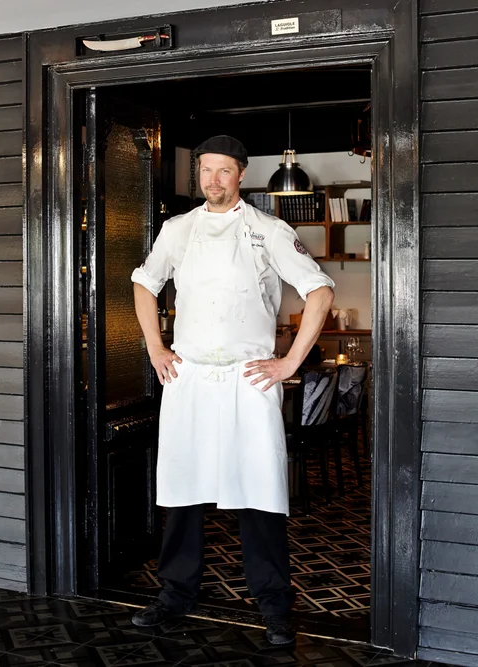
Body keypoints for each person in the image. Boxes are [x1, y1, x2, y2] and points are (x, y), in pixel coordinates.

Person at [130, 135, 334, 645]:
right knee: (182, 493)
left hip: (249, 379)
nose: (213, 180)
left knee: (260, 494)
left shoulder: (269, 230)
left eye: (224, 170)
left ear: (241, 173)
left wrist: (290, 362)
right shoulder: (178, 230)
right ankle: (175, 594)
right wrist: (155, 347)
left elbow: (319, 290)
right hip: (190, 377)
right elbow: (144, 283)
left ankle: (274, 604)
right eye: (206, 170)